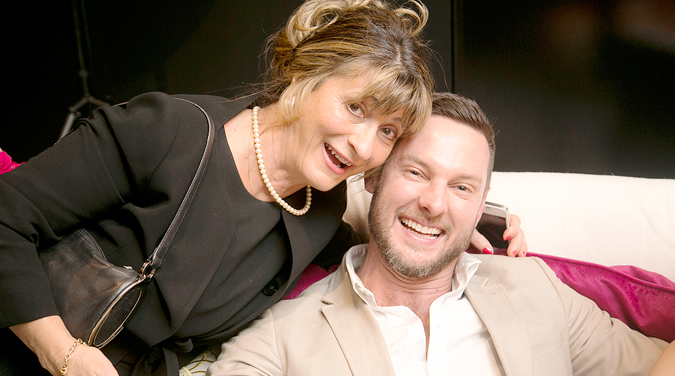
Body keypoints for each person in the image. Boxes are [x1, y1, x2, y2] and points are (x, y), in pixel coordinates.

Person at [0, 0, 528, 376]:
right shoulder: (166, 132)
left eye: (387, 131)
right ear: (305, 74)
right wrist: (64, 354)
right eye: (355, 107)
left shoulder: (320, 206)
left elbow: (378, 241)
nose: (364, 145)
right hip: (18, 352)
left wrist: (467, 221)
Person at [209, 92, 668, 376]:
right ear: (373, 178)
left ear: (481, 205)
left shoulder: (536, 288)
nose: (434, 203)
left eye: (461, 187)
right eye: (416, 172)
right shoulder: (283, 333)